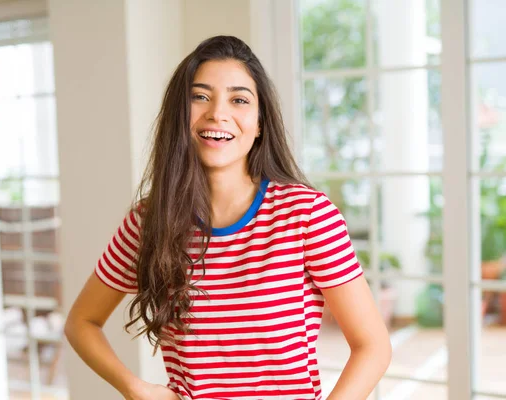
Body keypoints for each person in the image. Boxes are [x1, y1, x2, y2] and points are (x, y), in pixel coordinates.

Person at [64, 35, 391, 400]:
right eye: (200, 96)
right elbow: (81, 322)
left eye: (239, 100)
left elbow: (373, 346)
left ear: (260, 122)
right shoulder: (148, 221)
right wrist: (135, 388)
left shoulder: (306, 214)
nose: (218, 113)